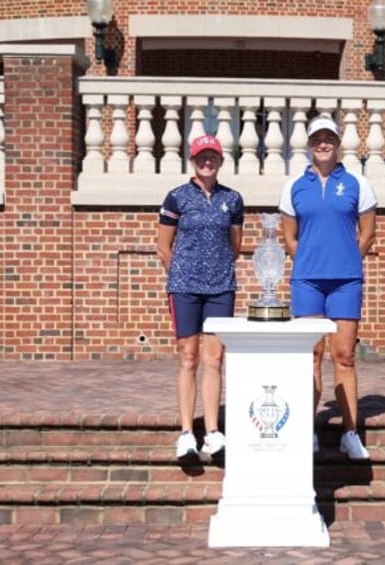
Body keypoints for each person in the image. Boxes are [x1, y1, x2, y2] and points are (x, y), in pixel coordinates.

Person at [278, 115, 377, 460]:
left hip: (346, 282)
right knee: (312, 356)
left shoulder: (357, 184)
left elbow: (367, 233)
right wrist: (308, 261)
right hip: (307, 282)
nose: (323, 143)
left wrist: (348, 259)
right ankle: (308, 431)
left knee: (344, 356)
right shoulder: (293, 187)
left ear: (337, 143)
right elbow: (289, 237)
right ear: (309, 144)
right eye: (317, 138)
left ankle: (350, 432)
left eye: (329, 138)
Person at [157, 134, 244, 461]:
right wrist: (182, 273)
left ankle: (212, 432)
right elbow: (164, 246)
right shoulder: (177, 197)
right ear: (192, 160)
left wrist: (215, 267)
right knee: (189, 357)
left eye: (213, 157)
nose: (207, 162)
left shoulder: (232, 199)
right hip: (185, 288)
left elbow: (235, 245)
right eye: (201, 157)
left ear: (221, 160)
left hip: (221, 287)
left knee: (214, 359)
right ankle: (185, 434)